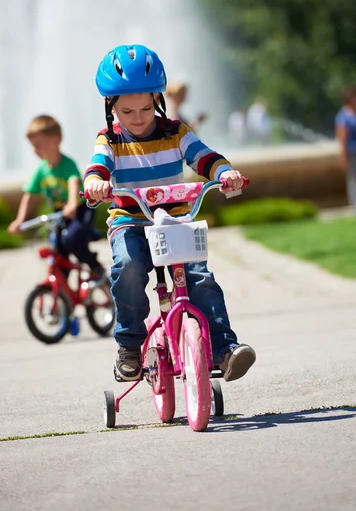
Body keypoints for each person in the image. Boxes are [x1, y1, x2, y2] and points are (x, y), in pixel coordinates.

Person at [83, 44, 256, 382]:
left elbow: (204, 156)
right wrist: (96, 184)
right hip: (130, 222)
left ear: (157, 100)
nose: (138, 118)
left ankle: (224, 349)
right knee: (128, 268)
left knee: (200, 278)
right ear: (111, 106)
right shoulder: (110, 139)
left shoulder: (175, 132)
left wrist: (224, 173)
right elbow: (98, 167)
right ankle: (130, 347)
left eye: (146, 108)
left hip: (175, 221)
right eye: (128, 111)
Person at [8, 115, 105, 281]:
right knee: (58, 248)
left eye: (38, 145)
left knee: (72, 239)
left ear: (56, 140)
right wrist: (20, 220)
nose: (34, 150)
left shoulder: (67, 164)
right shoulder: (42, 170)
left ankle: (95, 266)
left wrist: (72, 204)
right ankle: (62, 290)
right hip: (60, 212)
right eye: (32, 146)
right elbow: (29, 195)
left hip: (80, 210)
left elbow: (74, 182)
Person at [335, 86, 356, 207]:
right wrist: (342, 157)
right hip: (352, 152)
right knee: (353, 178)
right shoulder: (343, 116)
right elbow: (341, 138)